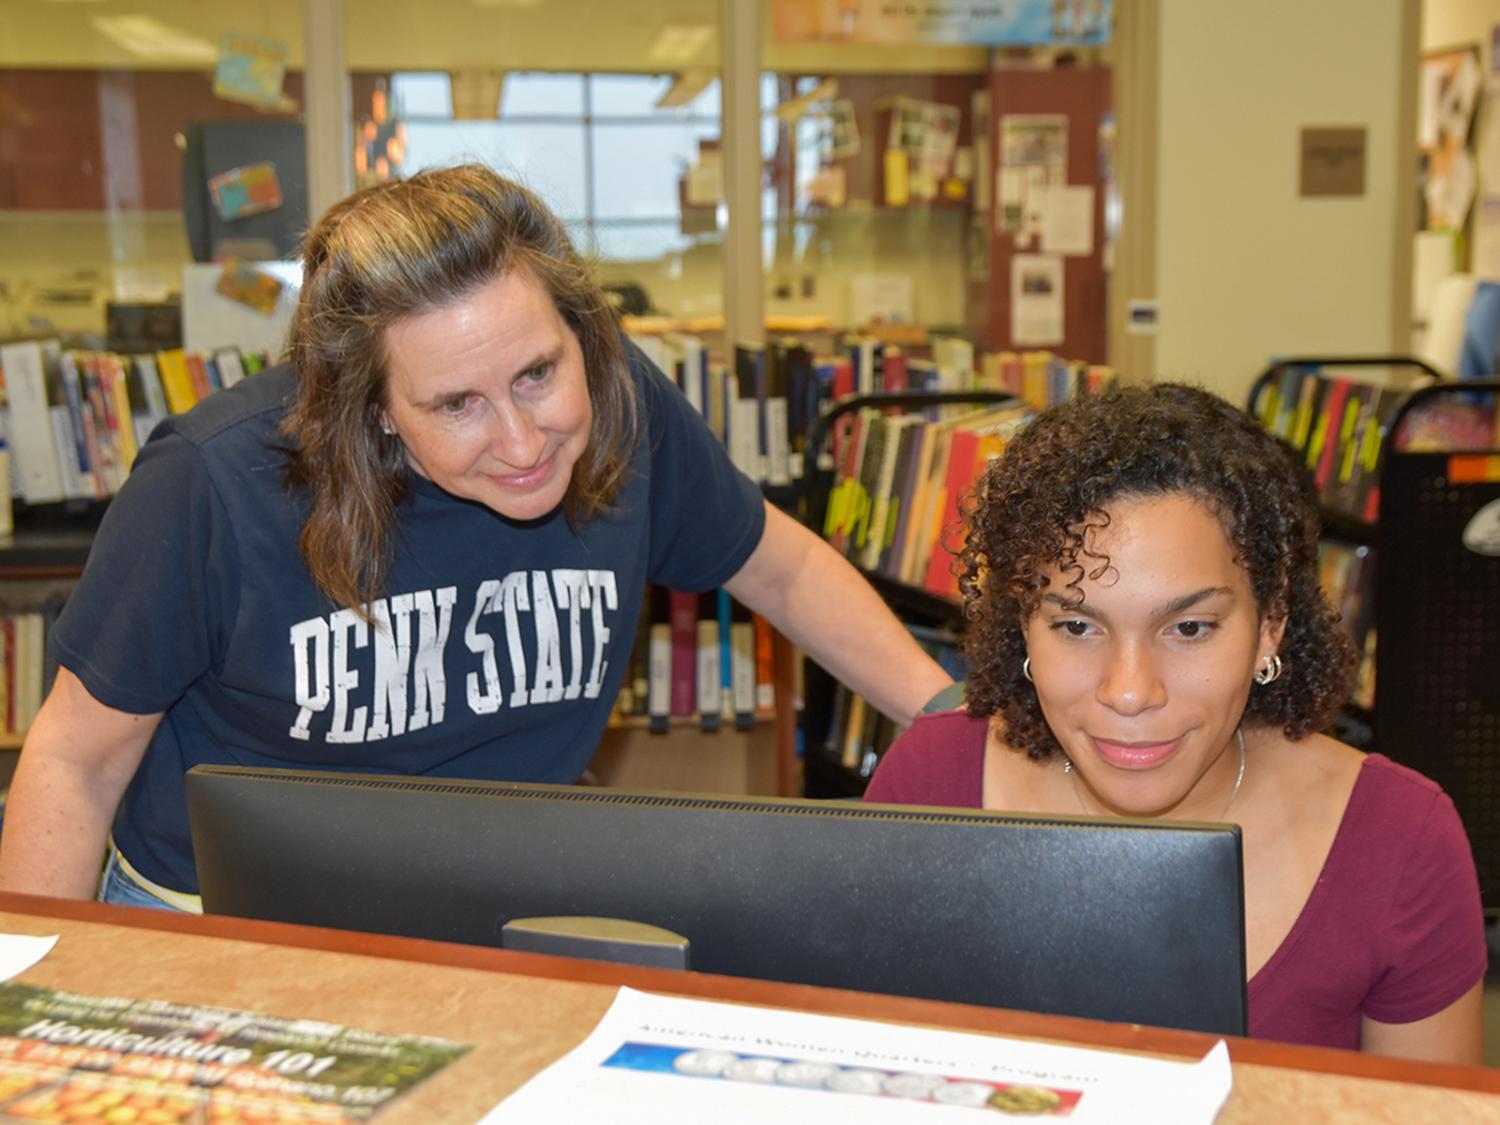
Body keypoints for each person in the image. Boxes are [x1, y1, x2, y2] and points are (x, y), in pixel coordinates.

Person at [0, 164, 952, 911]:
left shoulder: (628, 410)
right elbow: (75, 761)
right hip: (224, 915)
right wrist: (28, 1017)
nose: (524, 440)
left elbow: (780, 569)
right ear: (371, 409)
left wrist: (961, 724)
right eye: (457, 404)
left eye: (539, 372)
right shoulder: (212, 482)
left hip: (492, 896)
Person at [863, 383, 1486, 1064]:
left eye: (1189, 627)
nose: (1130, 692)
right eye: (1076, 625)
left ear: (1269, 624)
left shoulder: (1398, 839)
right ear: (1023, 627)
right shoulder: (930, 787)